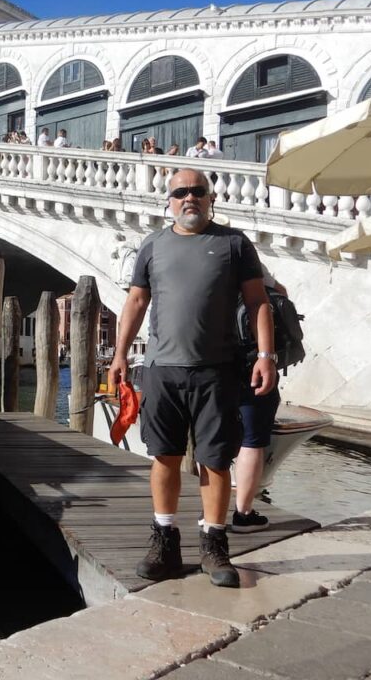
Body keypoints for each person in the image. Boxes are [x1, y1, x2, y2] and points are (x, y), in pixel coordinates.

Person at [108, 168, 276, 588]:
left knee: (215, 460)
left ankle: (214, 544)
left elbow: (258, 302)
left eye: (197, 191)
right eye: (180, 192)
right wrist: (119, 355)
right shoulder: (153, 246)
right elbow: (135, 302)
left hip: (217, 371)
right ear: (169, 200)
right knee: (164, 456)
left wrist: (266, 355)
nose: (189, 198)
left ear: (210, 197)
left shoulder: (234, 244)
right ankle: (164, 541)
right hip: (162, 370)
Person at [231, 269, 287, 532]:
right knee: (252, 439)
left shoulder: (190, 252)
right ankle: (243, 513)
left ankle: (211, 509)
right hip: (251, 361)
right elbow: (280, 294)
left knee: (212, 436)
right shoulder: (242, 253)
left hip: (209, 361)